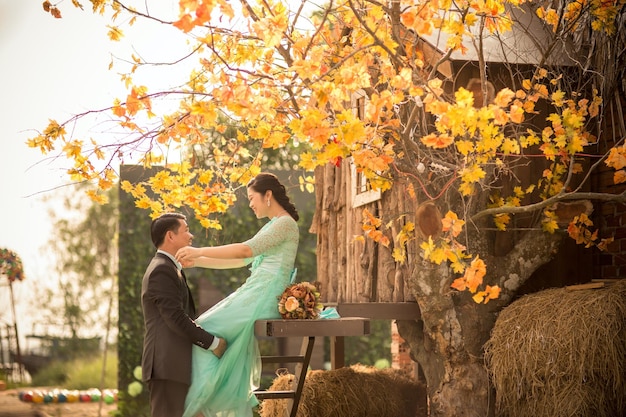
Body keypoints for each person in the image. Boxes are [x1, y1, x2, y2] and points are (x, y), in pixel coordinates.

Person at [175, 172, 300, 417]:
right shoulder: (274, 225)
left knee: (203, 328)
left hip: (265, 296)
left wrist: (198, 251)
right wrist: (199, 262)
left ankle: (203, 403)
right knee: (204, 331)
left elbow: (244, 249)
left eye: (252, 198)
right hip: (255, 292)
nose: (251, 204)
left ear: (268, 195)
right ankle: (209, 400)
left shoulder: (285, 224)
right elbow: (242, 260)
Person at [141, 212, 228, 417]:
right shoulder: (161, 270)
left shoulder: (170, 268)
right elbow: (176, 318)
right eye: (186, 230)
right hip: (166, 365)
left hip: (174, 366)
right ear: (170, 236)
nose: (191, 236)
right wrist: (213, 343)